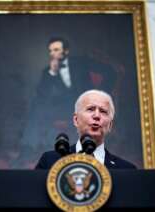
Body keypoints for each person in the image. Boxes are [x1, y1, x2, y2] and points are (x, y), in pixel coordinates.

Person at [16, 37, 117, 168]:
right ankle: (27, 148)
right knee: (37, 108)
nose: (53, 53)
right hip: (63, 107)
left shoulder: (81, 62)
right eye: (51, 51)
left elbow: (110, 72)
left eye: (56, 49)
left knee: (40, 108)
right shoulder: (48, 71)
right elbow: (42, 95)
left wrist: (100, 94)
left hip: (84, 105)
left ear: (66, 51)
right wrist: (52, 73)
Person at [35, 89, 136, 169]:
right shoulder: (50, 161)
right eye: (90, 109)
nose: (97, 115)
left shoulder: (126, 170)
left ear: (110, 125)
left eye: (103, 111)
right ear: (76, 120)